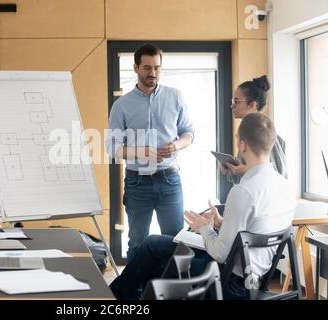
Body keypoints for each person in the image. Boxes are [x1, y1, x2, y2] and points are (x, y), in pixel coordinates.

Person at [109, 113, 295, 300]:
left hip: (229, 281)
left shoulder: (244, 192)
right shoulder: (286, 187)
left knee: (156, 263)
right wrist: (221, 223)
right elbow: (253, 230)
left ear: (242, 144)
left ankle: (114, 298)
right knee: (153, 244)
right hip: (254, 276)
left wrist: (203, 227)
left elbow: (221, 254)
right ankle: (119, 297)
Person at [105, 43, 195, 262]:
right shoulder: (122, 105)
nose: (152, 73)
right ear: (136, 68)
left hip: (170, 180)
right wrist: (142, 152)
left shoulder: (176, 97)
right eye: (147, 68)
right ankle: (136, 294)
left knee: (176, 241)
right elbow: (112, 148)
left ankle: (174, 292)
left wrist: (177, 145)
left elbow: (189, 133)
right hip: (138, 183)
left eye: (157, 67)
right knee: (137, 242)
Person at [223, 75, 288, 184]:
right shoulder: (246, 132)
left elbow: (277, 175)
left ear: (252, 105)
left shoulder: (263, 133)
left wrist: (246, 170)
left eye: (236, 101)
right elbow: (242, 178)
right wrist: (231, 170)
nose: (232, 105)